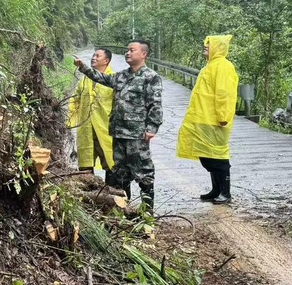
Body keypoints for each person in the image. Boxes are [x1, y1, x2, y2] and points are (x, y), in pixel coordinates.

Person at [73, 40, 163, 214]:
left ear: (143, 54)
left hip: (137, 134)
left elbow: (156, 105)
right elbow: (101, 77)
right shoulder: (121, 76)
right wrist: (83, 67)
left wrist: (152, 128)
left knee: (143, 172)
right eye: (127, 50)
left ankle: (147, 212)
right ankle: (124, 210)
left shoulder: (150, 77)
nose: (128, 53)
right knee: (120, 174)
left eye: (132, 50)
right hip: (118, 133)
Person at [177, 35, 239, 204]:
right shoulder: (210, 66)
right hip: (203, 118)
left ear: (219, 47)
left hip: (216, 120)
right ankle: (216, 189)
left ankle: (225, 192)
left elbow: (224, 94)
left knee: (217, 156)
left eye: (209, 44)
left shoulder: (224, 66)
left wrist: (223, 116)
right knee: (206, 155)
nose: (205, 47)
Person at [68, 48, 115, 186]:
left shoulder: (113, 79)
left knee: (111, 163)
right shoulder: (84, 80)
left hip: (105, 128)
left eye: (97, 56)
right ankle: (90, 198)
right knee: (85, 164)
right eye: (93, 55)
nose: (93, 58)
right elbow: (75, 99)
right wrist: (70, 120)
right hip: (86, 127)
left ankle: (112, 194)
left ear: (106, 61)